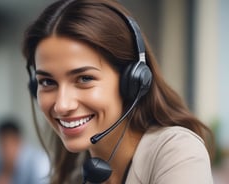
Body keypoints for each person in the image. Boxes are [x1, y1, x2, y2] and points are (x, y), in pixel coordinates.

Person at [22, 0, 214, 183]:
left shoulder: (175, 152)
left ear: (133, 81)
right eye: (47, 82)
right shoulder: (75, 173)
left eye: (85, 79)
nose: (62, 105)